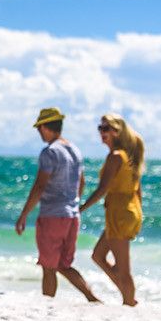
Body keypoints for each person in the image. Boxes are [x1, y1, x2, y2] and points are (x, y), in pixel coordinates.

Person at [15, 108, 99, 302]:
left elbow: (40, 185)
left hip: (52, 215)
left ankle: (47, 304)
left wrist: (24, 214)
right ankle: (92, 298)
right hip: (72, 215)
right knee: (63, 264)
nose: (38, 132)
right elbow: (82, 182)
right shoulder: (74, 150)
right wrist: (73, 203)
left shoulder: (50, 152)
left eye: (39, 128)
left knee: (48, 266)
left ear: (45, 127)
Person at [79, 114, 145, 306]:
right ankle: (128, 296)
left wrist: (81, 208)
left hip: (121, 213)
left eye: (106, 129)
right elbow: (137, 190)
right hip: (125, 212)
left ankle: (129, 302)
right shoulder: (127, 156)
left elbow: (102, 189)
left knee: (123, 269)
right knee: (98, 255)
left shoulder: (116, 156)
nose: (102, 132)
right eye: (100, 128)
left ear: (117, 132)